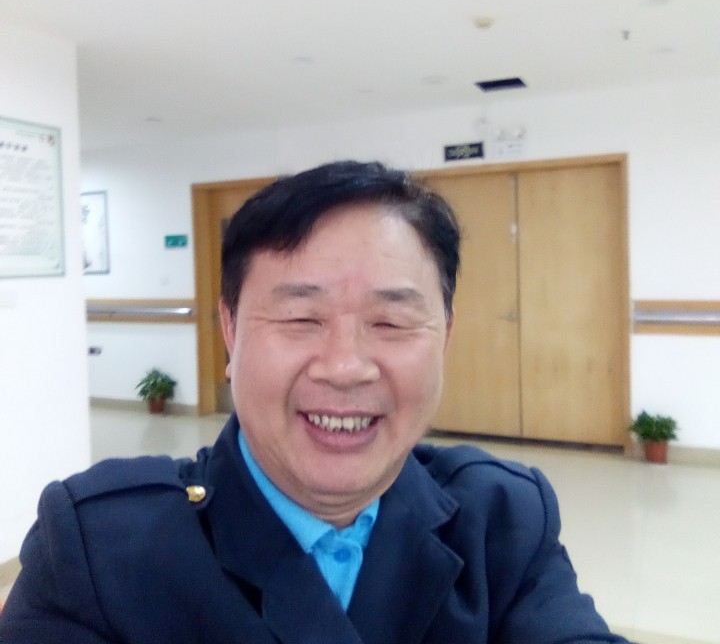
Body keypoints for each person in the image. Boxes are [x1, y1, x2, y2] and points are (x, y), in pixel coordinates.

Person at [0, 161, 630, 643]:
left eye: (391, 322)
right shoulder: (97, 550)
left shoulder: (504, 521)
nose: (346, 367)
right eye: (301, 318)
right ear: (230, 331)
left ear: (445, 336)